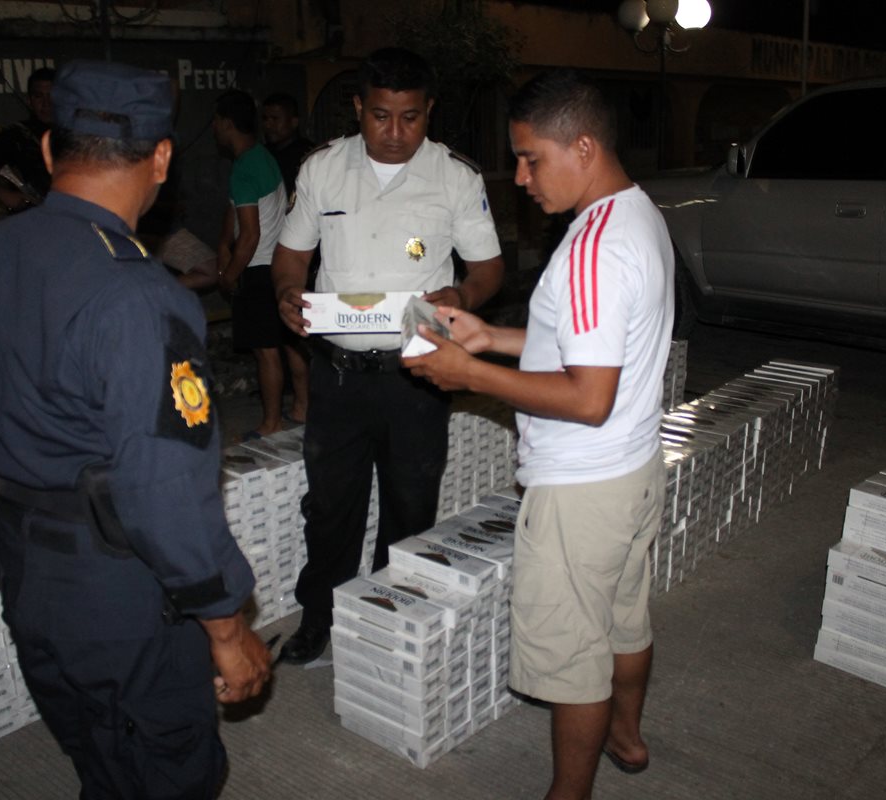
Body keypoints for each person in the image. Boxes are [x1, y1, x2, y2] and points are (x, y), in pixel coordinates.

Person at [0, 60, 271, 799]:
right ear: (162, 158)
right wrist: (225, 626)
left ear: (50, 152)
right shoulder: (139, 298)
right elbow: (163, 488)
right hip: (117, 587)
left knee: (96, 752)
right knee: (168, 765)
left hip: (25, 570)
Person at [402, 70, 673, 800]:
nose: (519, 178)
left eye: (530, 158)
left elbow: (587, 397)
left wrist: (467, 373)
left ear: (582, 147)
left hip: (582, 487)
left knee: (573, 656)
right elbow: (588, 347)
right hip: (632, 469)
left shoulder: (591, 252)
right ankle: (627, 736)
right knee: (623, 619)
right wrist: (490, 336)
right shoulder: (636, 215)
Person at [271, 46, 505, 664]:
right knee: (329, 508)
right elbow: (292, 253)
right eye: (380, 116)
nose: (395, 132)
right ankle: (318, 619)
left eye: (410, 117)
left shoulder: (456, 177)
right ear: (357, 108)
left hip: (418, 374)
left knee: (410, 504)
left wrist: (463, 293)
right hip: (339, 375)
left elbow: (488, 267)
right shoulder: (321, 169)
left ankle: (384, 620)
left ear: (429, 112)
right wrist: (286, 291)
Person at [212, 89, 308, 437]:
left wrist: (228, 275)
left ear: (225, 124)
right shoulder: (261, 157)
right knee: (289, 342)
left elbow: (249, 234)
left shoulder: (244, 167)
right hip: (280, 262)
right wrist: (224, 245)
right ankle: (301, 406)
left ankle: (271, 422)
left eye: (216, 121)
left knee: (266, 353)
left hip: (259, 268)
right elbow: (237, 216)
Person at [0, 67, 56, 214]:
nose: (46, 104)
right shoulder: (16, 136)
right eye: (39, 96)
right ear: (29, 100)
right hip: (32, 220)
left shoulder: (79, 135)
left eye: (52, 96)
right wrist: (1, 192)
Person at [261, 92, 314, 199]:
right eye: (265, 119)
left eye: (275, 119)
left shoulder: (308, 155)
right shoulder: (264, 154)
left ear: (294, 122)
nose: (268, 125)